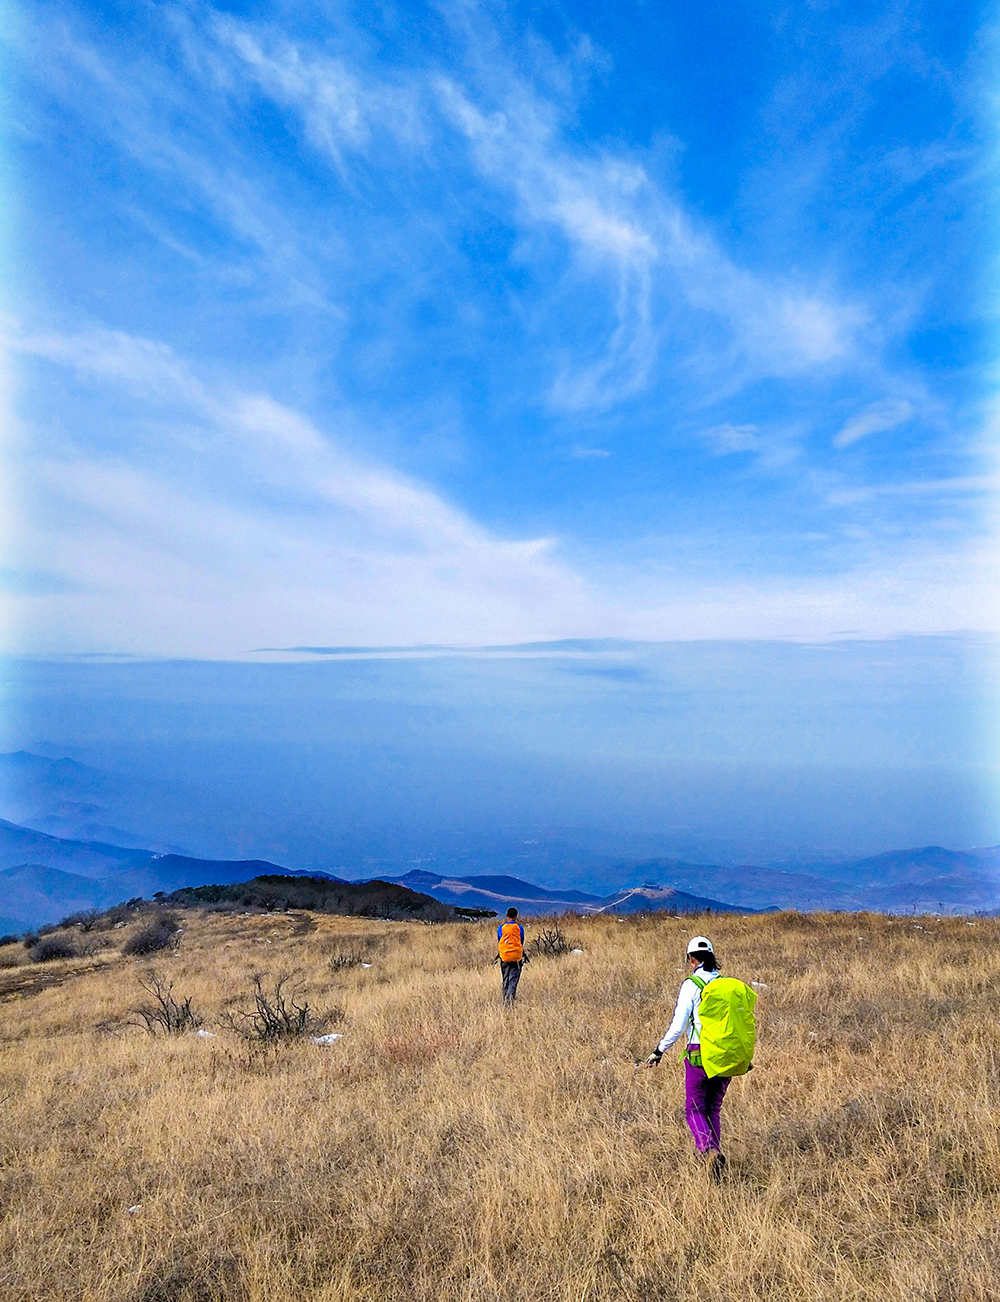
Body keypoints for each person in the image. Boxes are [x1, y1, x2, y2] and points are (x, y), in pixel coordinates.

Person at [642, 935, 732, 1180]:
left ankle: (709, 1151)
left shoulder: (691, 985)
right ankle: (715, 1161)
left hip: (699, 1053)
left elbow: (678, 1025)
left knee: (694, 1109)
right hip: (726, 1055)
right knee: (713, 1108)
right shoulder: (725, 984)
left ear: (691, 958)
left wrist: (659, 1050)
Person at [495, 907, 528, 1003]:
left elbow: (499, 941)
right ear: (516, 916)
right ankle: (510, 1000)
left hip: (504, 956)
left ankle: (505, 998)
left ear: (507, 915)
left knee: (505, 978)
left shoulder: (500, 928)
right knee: (513, 979)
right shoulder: (519, 928)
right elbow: (521, 941)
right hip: (516, 957)